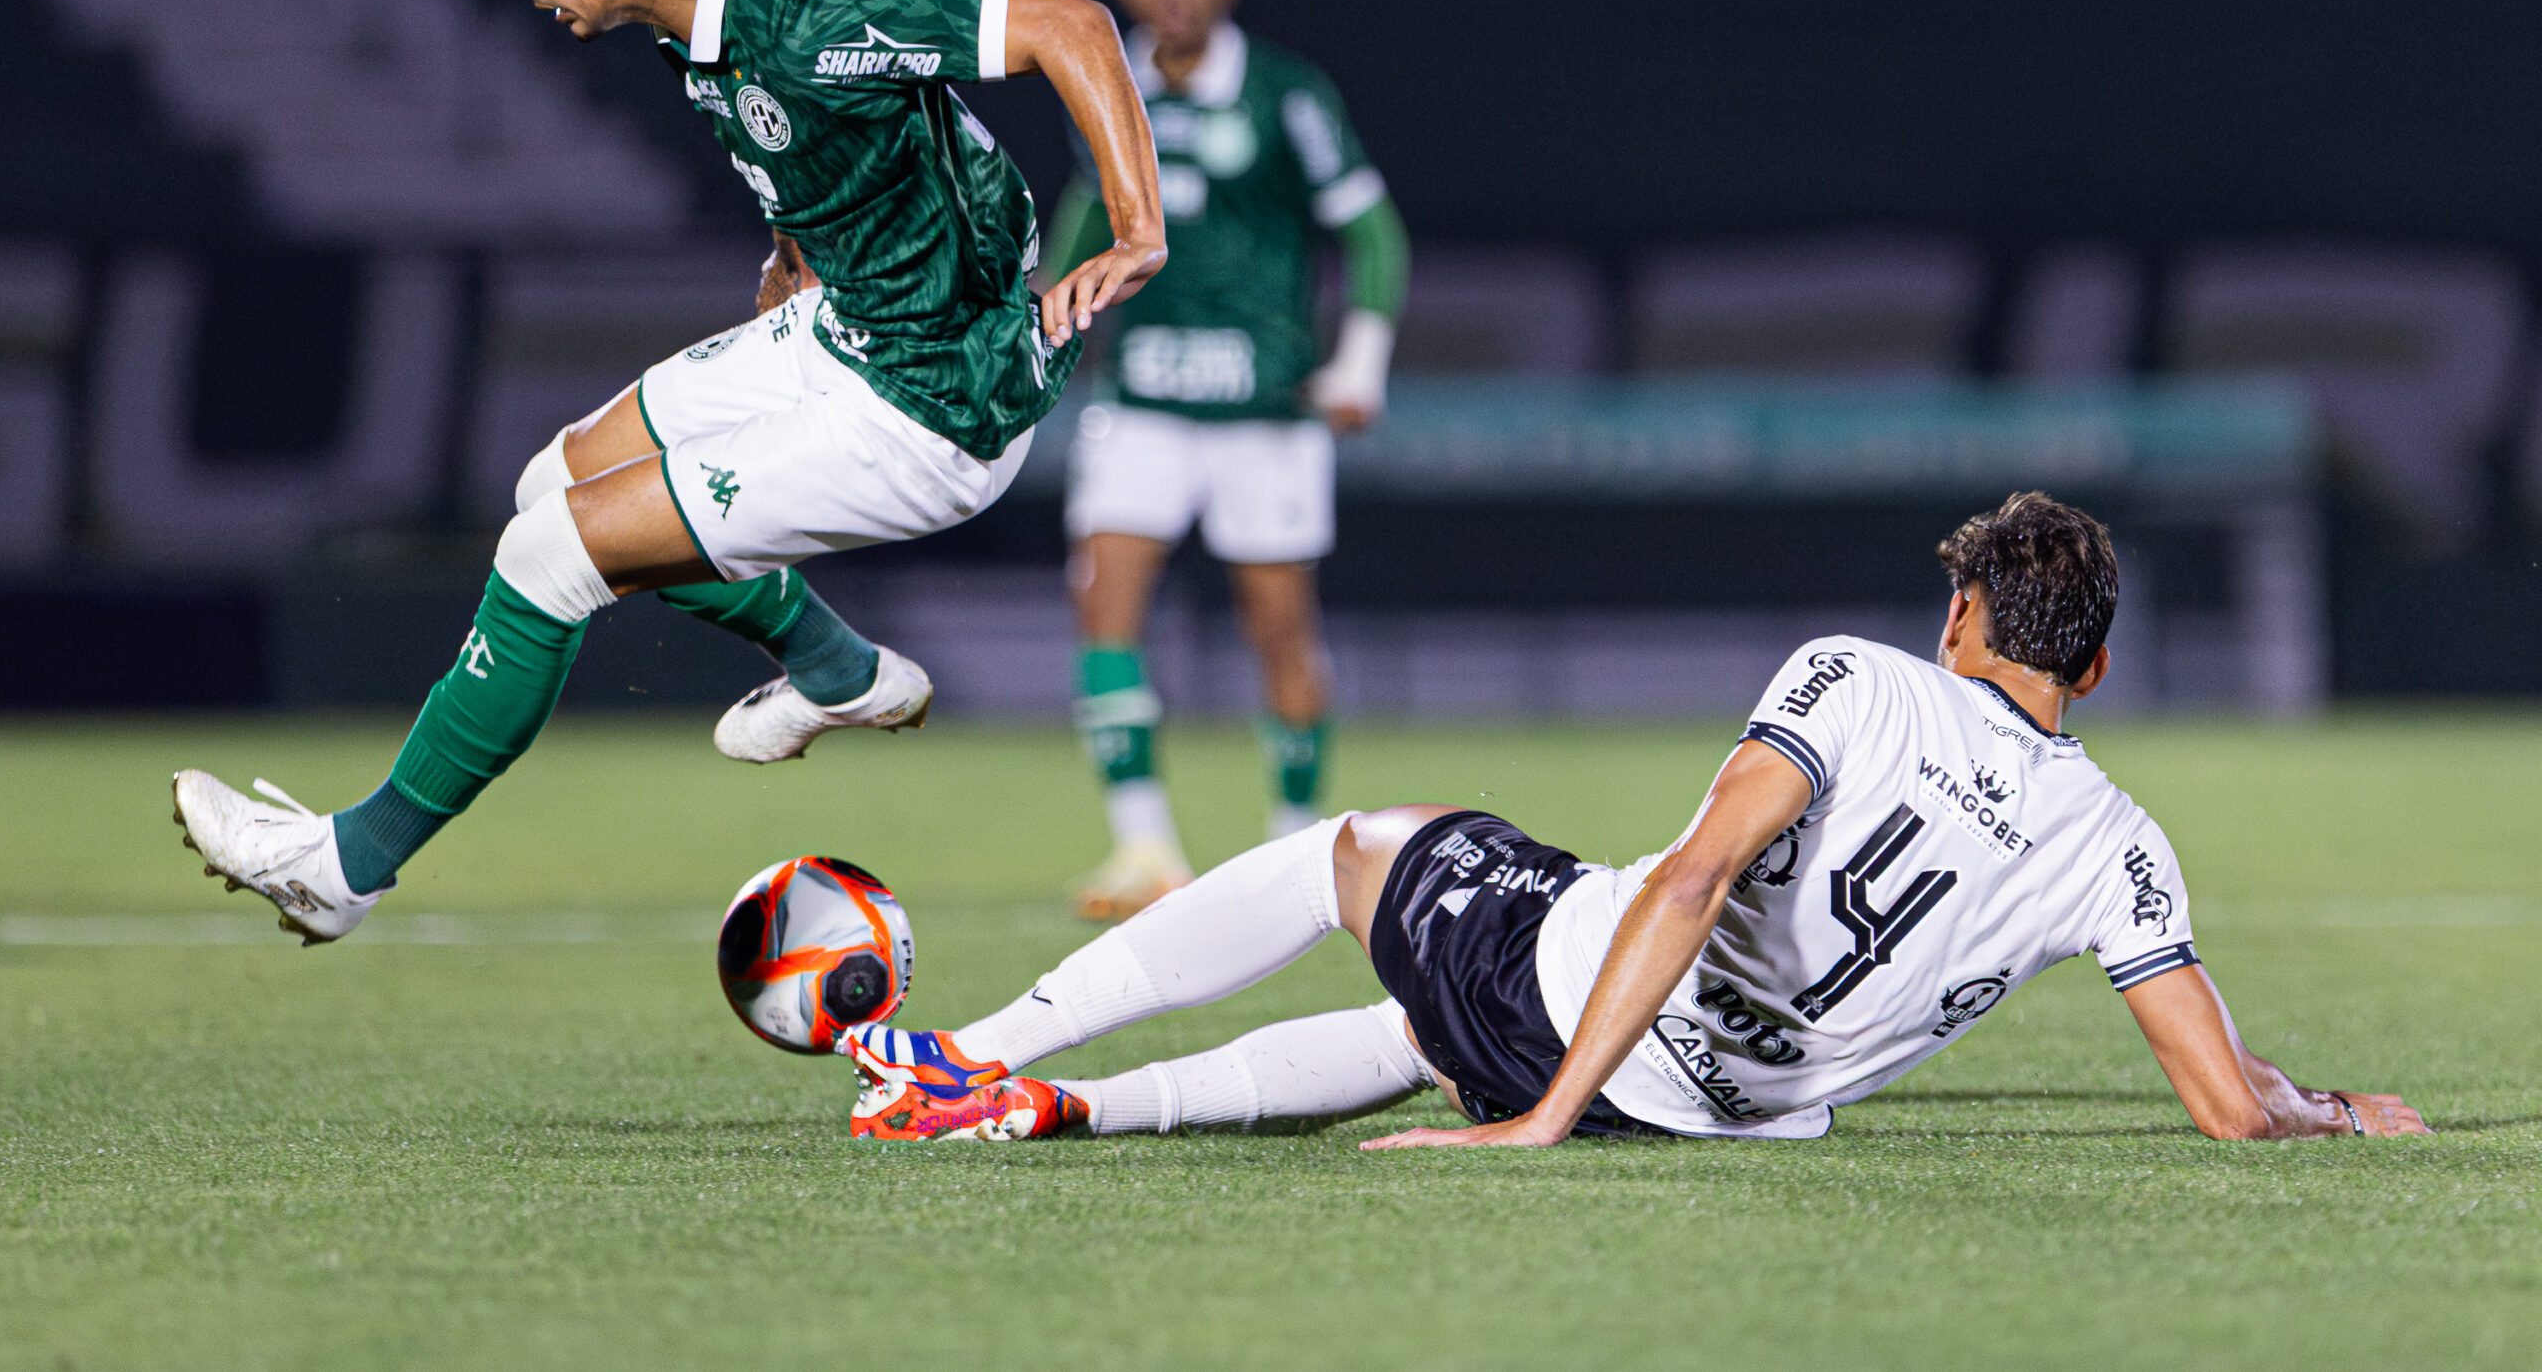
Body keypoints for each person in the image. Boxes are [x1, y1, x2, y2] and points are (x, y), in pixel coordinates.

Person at [168, 0, 1165, 945]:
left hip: (929, 402)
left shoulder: (805, 12)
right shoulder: (690, 10)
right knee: (554, 484)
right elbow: (838, 137)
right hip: (847, 322)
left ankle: (349, 865)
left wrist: (1138, 226)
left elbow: (1072, 28)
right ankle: (839, 673)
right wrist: (796, 244)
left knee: (549, 556)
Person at [835, 493, 2428, 1145]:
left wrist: (1538, 1119)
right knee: (1421, 1027)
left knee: (1364, 846)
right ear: (2091, 658)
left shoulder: (1859, 679)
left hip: (1583, 1011)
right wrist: (2340, 1108)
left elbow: (1699, 875)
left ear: (1961, 612)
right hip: (1714, 1111)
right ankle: (1066, 1115)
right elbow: (2225, 1098)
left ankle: (979, 1044)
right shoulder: (2122, 839)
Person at [1047, 0, 1411, 923]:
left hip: (1266, 412)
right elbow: (1086, 219)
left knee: (1279, 631)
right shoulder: (1105, 81)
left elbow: (1372, 229)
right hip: (1145, 405)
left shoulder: (1286, 93)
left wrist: (1361, 362)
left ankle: (1292, 852)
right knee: (1103, 609)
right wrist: (1037, 331)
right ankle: (1143, 847)